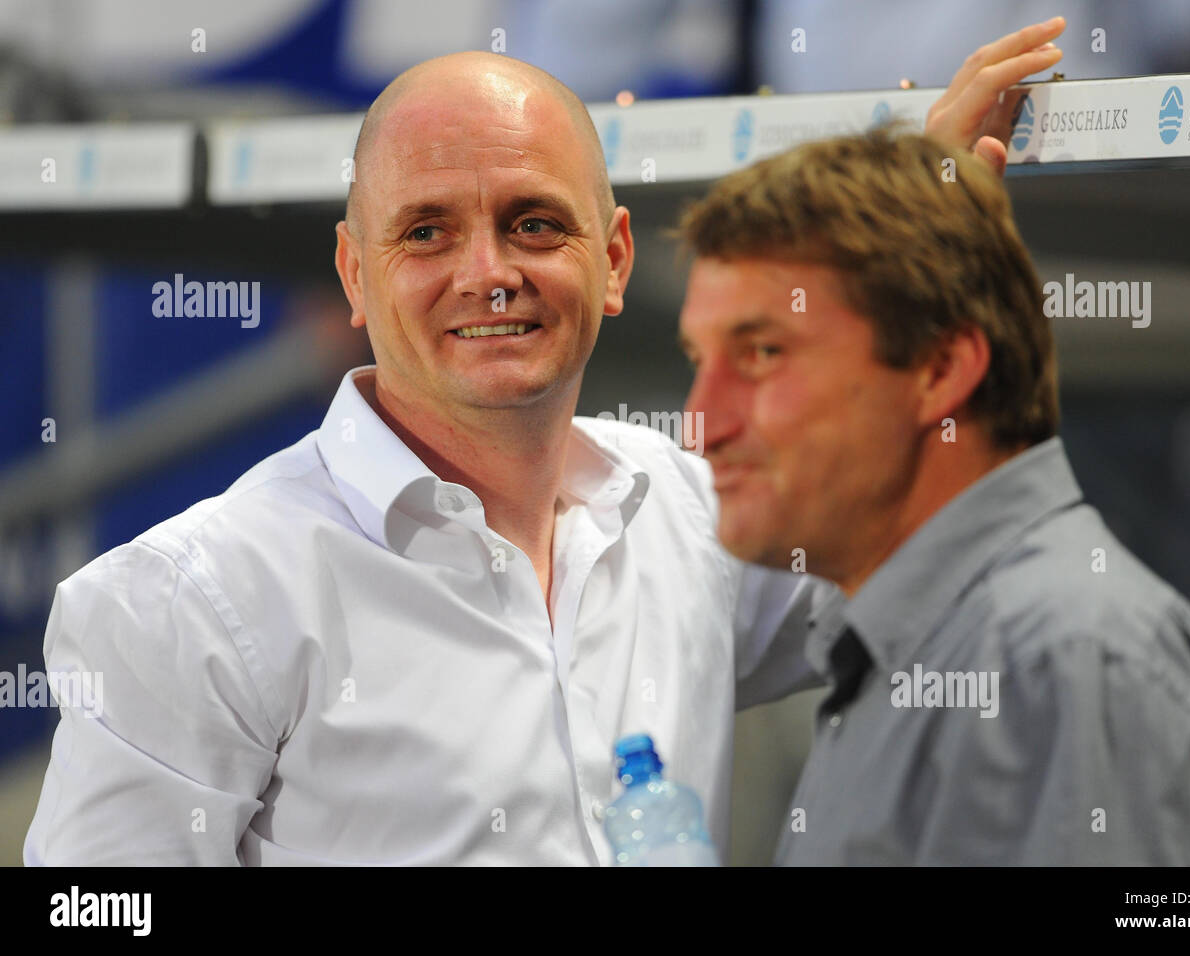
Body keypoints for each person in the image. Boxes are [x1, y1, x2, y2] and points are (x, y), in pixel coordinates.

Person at [25, 20, 1067, 865]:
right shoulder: (191, 597)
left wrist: (930, 235)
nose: (487, 271)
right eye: (426, 230)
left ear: (613, 260)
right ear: (352, 274)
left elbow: (924, 520)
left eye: (533, 222)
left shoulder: (691, 510)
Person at [675, 125, 1190, 865]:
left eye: (763, 353)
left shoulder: (1061, 661)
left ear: (939, 369)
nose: (698, 424)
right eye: (699, 360)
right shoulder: (942, 648)